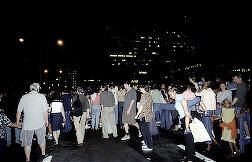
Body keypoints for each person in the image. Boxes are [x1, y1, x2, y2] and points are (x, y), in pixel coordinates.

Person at [16, 83, 49, 162]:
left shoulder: (24, 97)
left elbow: (19, 111)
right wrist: (46, 121)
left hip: (27, 124)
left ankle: (28, 159)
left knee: (27, 143)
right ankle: (43, 154)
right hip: (40, 123)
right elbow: (45, 111)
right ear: (37, 89)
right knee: (41, 139)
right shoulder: (42, 96)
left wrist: (17, 122)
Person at [135, 84, 153, 152]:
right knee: (144, 130)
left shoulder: (144, 95)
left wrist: (137, 114)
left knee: (146, 131)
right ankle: (146, 143)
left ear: (143, 88)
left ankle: (150, 146)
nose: (139, 89)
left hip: (145, 115)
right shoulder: (149, 94)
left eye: (140, 88)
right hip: (147, 115)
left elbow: (141, 106)